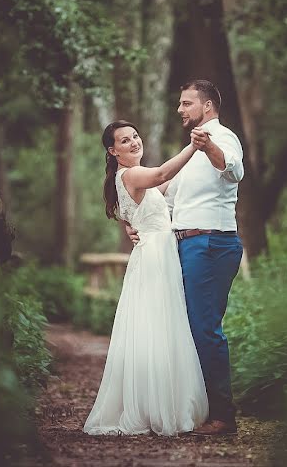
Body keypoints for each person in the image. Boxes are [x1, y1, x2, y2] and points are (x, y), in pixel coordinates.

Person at [127, 79, 245, 436]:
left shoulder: (222, 138)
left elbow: (234, 169)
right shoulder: (191, 152)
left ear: (206, 106)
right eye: (180, 104)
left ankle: (224, 416)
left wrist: (209, 148)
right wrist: (133, 223)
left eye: (186, 103)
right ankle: (198, 408)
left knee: (204, 328)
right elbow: (163, 198)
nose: (180, 110)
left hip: (210, 244)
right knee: (188, 327)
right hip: (185, 245)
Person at [83, 120, 208, 436]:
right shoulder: (132, 174)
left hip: (154, 252)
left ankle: (162, 400)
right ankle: (158, 405)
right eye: (125, 141)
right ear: (113, 151)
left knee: (161, 325)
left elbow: (164, 186)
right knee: (159, 325)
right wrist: (195, 144)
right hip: (155, 256)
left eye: (135, 136)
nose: (134, 142)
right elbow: (162, 174)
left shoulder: (128, 178)